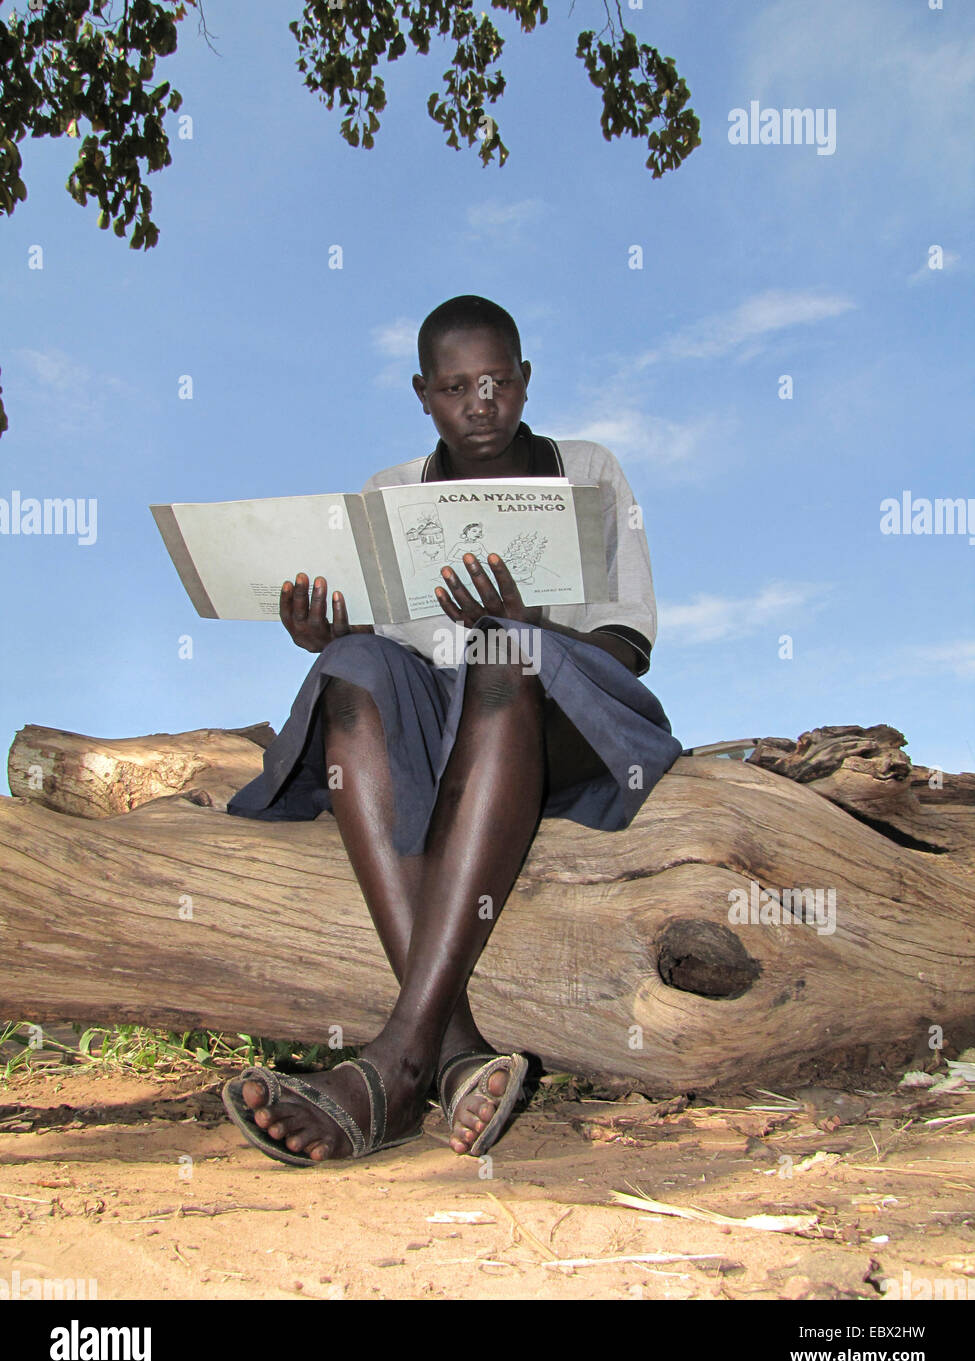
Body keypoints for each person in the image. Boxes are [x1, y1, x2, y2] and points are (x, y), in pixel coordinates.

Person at [220, 295, 683, 1165]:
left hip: (565, 721)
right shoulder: (390, 494)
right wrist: (329, 633)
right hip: (441, 733)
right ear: (422, 394)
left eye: (498, 381)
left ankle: (394, 1062)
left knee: (504, 652)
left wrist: (528, 618)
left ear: (525, 380)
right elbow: (385, 653)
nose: (481, 402)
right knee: (349, 669)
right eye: (456, 386)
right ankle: (455, 1051)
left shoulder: (586, 468)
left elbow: (629, 648)